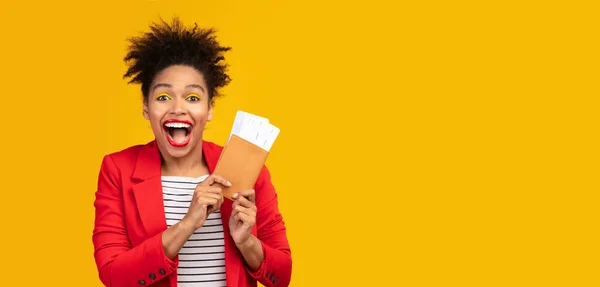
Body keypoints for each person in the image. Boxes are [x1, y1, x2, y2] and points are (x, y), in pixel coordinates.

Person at [92, 17, 292, 287]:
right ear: (145, 107)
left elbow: (282, 276)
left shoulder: (248, 169)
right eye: (163, 97)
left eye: (193, 98)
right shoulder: (118, 170)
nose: (178, 108)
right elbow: (114, 275)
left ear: (209, 109)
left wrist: (247, 243)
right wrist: (187, 224)